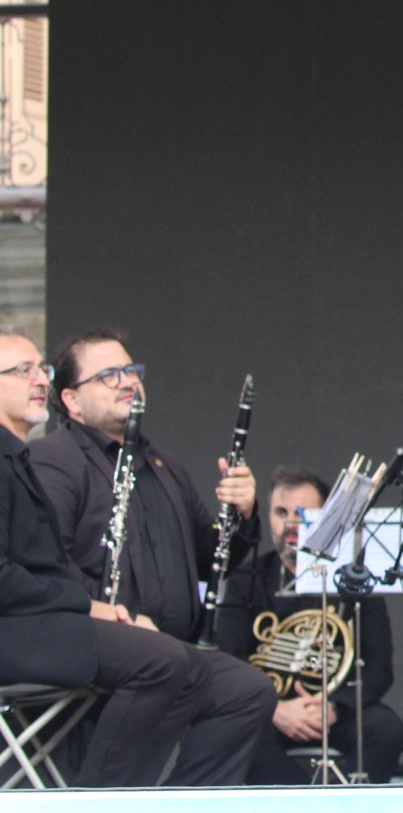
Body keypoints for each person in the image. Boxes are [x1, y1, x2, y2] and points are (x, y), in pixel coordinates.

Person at [0, 326, 264, 786]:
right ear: (72, 401)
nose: (126, 381)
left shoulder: (163, 465)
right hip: (71, 633)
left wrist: (243, 515)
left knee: (247, 689)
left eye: (130, 370)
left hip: (141, 637)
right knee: (163, 660)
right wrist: (92, 607)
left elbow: (211, 558)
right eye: (108, 375)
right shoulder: (51, 460)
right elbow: (44, 569)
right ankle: (102, 803)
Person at [216, 467, 403, 783]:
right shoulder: (244, 580)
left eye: (304, 514)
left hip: (334, 711)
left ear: (327, 519)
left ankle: (336, 801)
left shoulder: (355, 581)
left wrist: (334, 707)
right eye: (281, 512)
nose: (292, 524)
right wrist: (275, 709)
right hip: (269, 712)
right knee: (234, 736)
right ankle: (309, 801)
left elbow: (378, 668)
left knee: (387, 730)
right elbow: (227, 661)